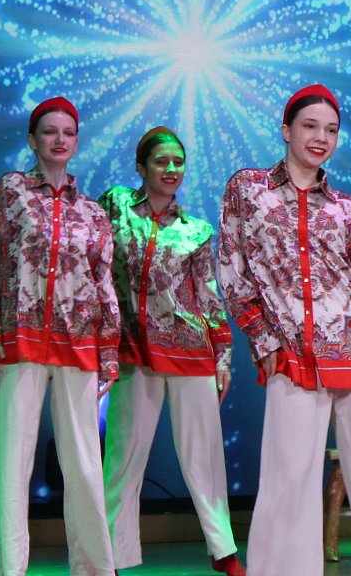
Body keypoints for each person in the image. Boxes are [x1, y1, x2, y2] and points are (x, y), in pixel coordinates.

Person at [218, 84, 351, 576]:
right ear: (286, 130)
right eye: (310, 126)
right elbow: (231, 268)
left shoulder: (347, 209)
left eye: (331, 130)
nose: (321, 137)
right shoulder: (248, 189)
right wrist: (262, 338)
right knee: (288, 481)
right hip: (293, 352)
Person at [0, 96, 120, 576]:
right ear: (32, 139)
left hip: (78, 341)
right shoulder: (11, 191)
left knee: (84, 462)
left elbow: (104, 284)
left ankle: (95, 567)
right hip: (21, 335)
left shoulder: (93, 212)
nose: (60, 140)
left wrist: (109, 351)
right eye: (50, 131)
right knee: (11, 458)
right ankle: (10, 568)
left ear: (77, 141)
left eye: (68, 132)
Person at [100, 126, 244, 575]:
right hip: (133, 349)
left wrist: (223, 355)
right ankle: (112, 555)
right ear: (141, 167)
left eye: (178, 162)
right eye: (161, 161)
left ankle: (223, 550)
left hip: (190, 349)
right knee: (123, 456)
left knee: (203, 455)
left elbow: (208, 295)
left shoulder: (195, 231)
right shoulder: (116, 207)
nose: (171, 169)